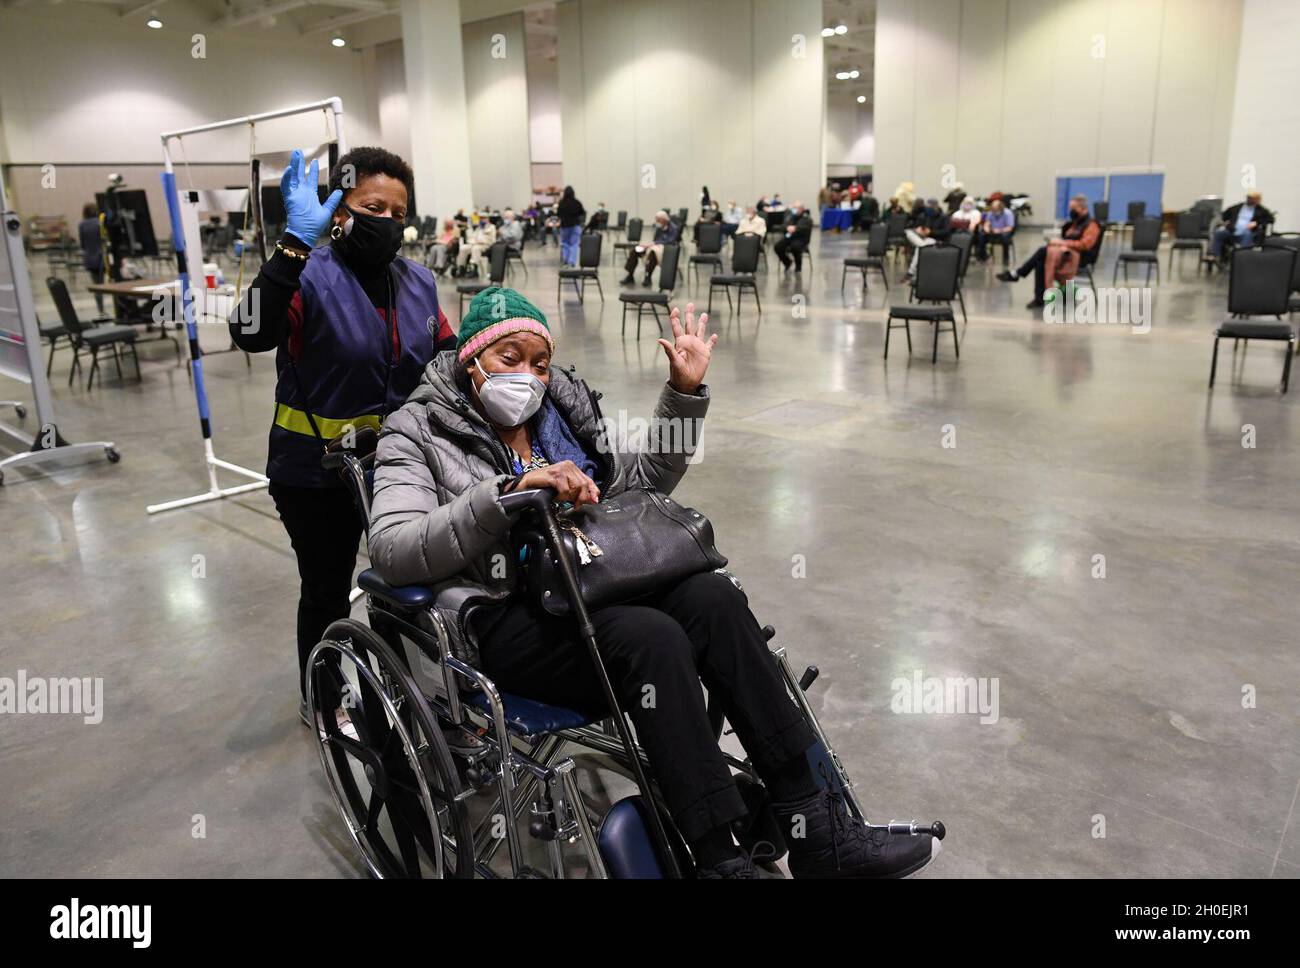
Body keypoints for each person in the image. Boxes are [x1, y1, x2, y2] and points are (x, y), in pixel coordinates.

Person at [366, 286, 941, 880]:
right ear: (472, 360)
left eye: (539, 363)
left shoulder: (558, 412)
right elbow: (394, 548)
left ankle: (818, 829)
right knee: (653, 638)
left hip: (592, 577)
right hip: (505, 613)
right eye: (509, 359)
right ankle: (719, 859)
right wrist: (506, 497)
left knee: (714, 597)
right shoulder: (417, 431)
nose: (529, 377)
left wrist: (683, 395)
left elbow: (637, 486)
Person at [227, 147, 452, 720]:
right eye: (372, 206)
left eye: (398, 213)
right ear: (338, 211)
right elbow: (250, 333)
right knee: (327, 587)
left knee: (403, 583)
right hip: (314, 472)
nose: (387, 222)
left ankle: (407, 699)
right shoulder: (307, 277)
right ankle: (323, 699)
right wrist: (291, 246)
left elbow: (448, 359)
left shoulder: (419, 282)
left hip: (400, 470)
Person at [997, 193, 1099, 308]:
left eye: (1073, 209)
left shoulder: (1091, 225)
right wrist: (1059, 242)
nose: (1071, 212)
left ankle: (1018, 274)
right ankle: (1038, 298)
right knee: (1040, 262)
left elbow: (1085, 245)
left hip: (1080, 258)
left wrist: (1064, 243)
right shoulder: (1074, 224)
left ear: (1082, 208)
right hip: (1064, 253)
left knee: (1043, 251)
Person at [620, 210, 680, 285]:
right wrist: (648, 245)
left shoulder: (673, 228)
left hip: (666, 249)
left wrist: (654, 244)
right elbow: (655, 239)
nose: (657, 221)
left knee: (653, 254)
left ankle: (648, 277)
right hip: (654, 246)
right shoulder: (659, 228)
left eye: (658, 220)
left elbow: (670, 241)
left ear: (664, 220)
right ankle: (630, 275)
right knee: (635, 250)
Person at [1210, 191, 1273, 262]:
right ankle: (1214, 255)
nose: (1250, 200)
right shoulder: (1238, 207)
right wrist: (1226, 222)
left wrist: (1256, 223)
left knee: (1247, 235)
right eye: (1249, 198)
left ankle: (1242, 257)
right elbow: (1225, 214)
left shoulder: (1261, 210)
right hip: (1232, 230)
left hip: (1247, 232)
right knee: (1219, 233)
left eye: (1253, 198)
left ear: (1258, 199)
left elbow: (1270, 219)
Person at [78, 202, 105, 313]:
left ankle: (101, 310)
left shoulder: (82, 225)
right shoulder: (100, 222)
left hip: (90, 258)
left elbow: (82, 244)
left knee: (97, 285)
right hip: (103, 257)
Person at [774, 202, 812, 272]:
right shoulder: (791, 217)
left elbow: (804, 228)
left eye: (796, 208)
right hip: (790, 237)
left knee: (795, 247)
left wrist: (795, 228)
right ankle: (787, 262)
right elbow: (783, 226)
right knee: (778, 246)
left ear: (802, 209)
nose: (794, 209)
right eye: (793, 208)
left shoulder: (807, 218)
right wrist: (787, 228)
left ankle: (798, 266)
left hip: (801, 238)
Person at [974, 198, 1015, 264]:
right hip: (992, 232)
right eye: (993, 208)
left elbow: (1010, 227)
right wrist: (986, 228)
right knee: (981, 235)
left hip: (1003, 231)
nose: (994, 210)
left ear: (1000, 207)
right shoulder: (991, 213)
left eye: (996, 208)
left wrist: (1000, 230)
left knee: (1005, 237)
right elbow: (987, 223)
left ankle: (1006, 258)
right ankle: (982, 256)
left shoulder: (1008, 213)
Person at [556, 186, 585, 266]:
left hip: (564, 226)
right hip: (575, 225)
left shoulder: (561, 203)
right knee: (574, 244)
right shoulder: (577, 202)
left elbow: (558, 214)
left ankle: (566, 260)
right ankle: (572, 261)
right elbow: (582, 212)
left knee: (565, 243)